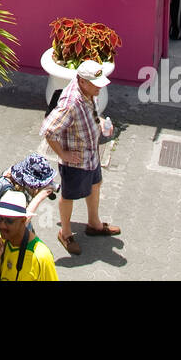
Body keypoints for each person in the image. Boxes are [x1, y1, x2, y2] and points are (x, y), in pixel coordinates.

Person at [41, 60, 118, 256]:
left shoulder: (88, 91)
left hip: (90, 155)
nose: (100, 86)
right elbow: (49, 131)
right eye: (96, 83)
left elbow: (91, 113)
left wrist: (99, 123)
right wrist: (63, 154)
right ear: (82, 82)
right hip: (75, 162)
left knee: (95, 185)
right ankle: (65, 233)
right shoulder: (71, 103)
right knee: (69, 196)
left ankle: (94, 224)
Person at [0, 154, 60, 273]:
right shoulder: (6, 188)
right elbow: (20, 221)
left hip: (20, 233)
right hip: (9, 237)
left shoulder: (18, 178)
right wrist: (40, 196)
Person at [0, 190, 59, 281]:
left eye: (9, 221)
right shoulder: (2, 240)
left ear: (23, 220)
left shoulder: (41, 256)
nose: (2, 225)